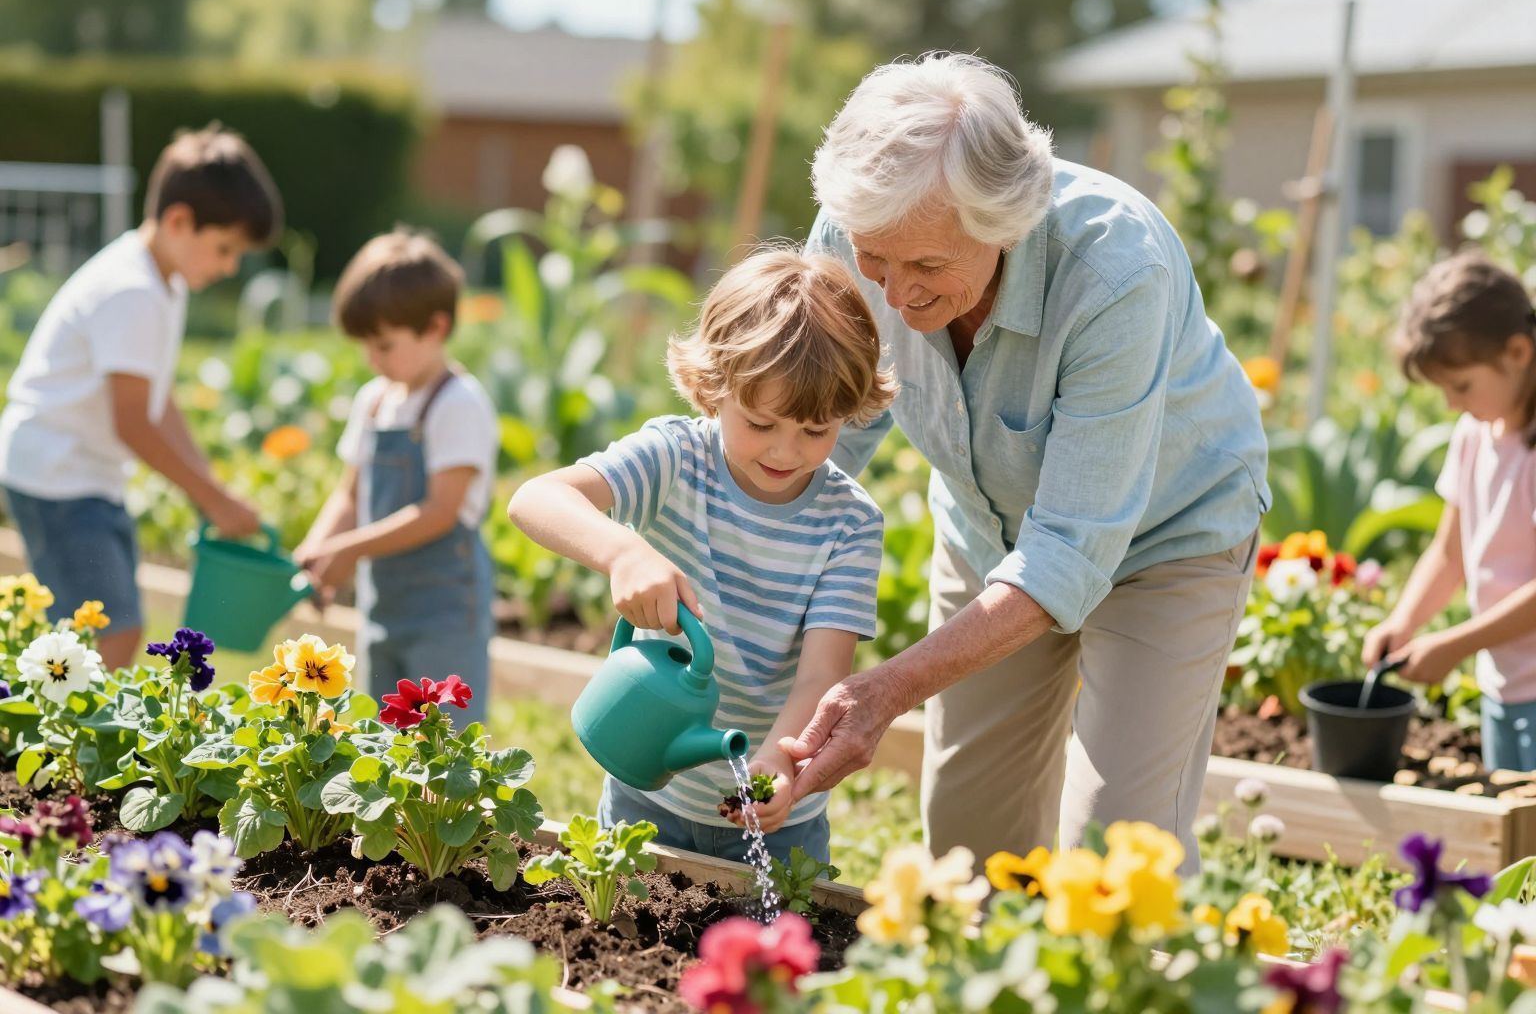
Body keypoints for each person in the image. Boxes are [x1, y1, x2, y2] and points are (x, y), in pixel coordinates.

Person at [783, 53, 1269, 873]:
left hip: (1167, 538)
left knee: (1119, 853)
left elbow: (1069, 553)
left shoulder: (1116, 270)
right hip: (987, 528)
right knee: (972, 842)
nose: (894, 297)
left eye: (928, 266)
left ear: (1005, 223)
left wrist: (889, 687)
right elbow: (826, 420)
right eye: (877, 261)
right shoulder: (856, 226)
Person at [507, 249, 894, 864]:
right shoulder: (676, 458)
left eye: (816, 430)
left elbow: (821, 676)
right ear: (715, 389)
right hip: (650, 793)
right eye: (762, 423)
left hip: (780, 817)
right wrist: (622, 550)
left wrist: (776, 761)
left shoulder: (850, 523)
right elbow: (535, 498)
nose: (786, 451)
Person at [0, 124, 282, 669]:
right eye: (225, 248)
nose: (228, 267)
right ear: (179, 220)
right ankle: (75, 749)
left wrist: (212, 487)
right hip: (58, 476)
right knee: (110, 633)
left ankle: (73, 742)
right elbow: (133, 423)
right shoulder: (132, 291)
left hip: (81, 475)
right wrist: (212, 500)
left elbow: (157, 400)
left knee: (102, 629)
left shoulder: (161, 281)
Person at [295, 230, 499, 728]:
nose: (373, 359)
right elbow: (351, 493)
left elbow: (439, 513)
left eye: (385, 344)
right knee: (387, 735)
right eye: (366, 345)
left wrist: (350, 550)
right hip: (383, 604)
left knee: (442, 740)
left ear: (436, 327)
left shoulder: (457, 404)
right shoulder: (375, 401)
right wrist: (317, 548)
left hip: (444, 610)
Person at [1363, 251, 1536, 771]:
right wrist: (1406, 620)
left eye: (1460, 386)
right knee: (1515, 846)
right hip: (1503, 688)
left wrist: (1456, 645)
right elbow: (1449, 552)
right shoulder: (1474, 435)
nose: (1452, 404)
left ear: (1518, 351)